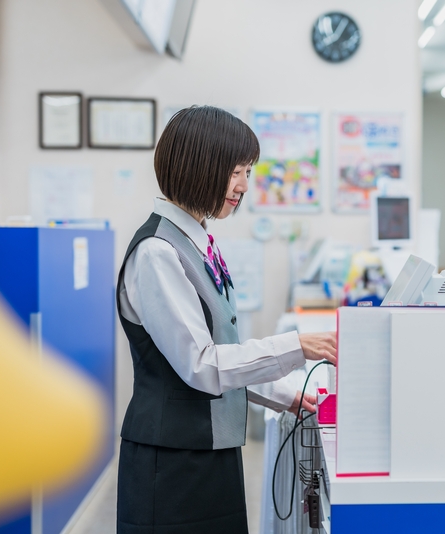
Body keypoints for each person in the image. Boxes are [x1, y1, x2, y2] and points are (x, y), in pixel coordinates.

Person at [115, 106, 337, 533]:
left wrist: (287, 396)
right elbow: (203, 364)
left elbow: (226, 352)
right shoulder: (158, 253)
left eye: (248, 173)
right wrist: (297, 345)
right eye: (237, 172)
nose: (244, 187)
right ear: (201, 166)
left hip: (207, 449)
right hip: (173, 461)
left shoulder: (197, 242)